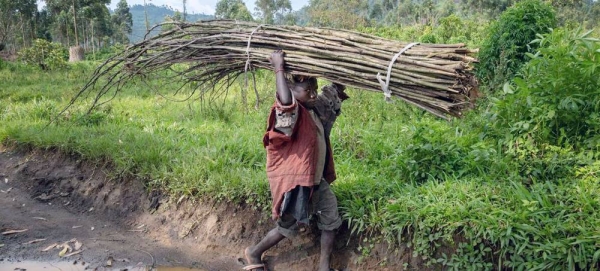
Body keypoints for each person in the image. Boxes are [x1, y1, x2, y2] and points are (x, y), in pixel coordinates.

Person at [241, 50, 349, 271]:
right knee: (287, 226)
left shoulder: (315, 110)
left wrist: (342, 71)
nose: (312, 95)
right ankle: (253, 252)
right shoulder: (290, 113)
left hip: (317, 181)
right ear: (291, 90)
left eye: (314, 90)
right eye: (307, 91)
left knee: (331, 219)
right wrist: (279, 68)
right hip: (298, 183)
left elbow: (331, 97)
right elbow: (285, 103)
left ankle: (323, 267)